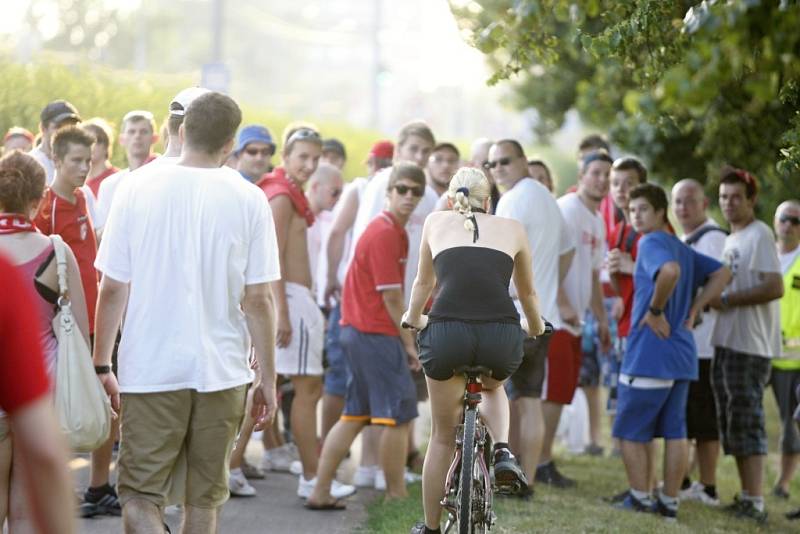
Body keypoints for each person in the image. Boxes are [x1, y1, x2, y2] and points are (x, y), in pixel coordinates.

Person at [93, 92, 280, 534]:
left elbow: (113, 286)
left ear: (180, 130)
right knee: (203, 501)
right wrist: (267, 378)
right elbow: (259, 300)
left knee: (139, 497)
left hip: (150, 368)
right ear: (230, 142)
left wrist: (102, 362)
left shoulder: (135, 187)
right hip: (223, 371)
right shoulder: (249, 198)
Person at [401, 166, 546, 533]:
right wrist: (537, 326)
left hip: (447, 333)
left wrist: (413, 316)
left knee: (443, 436)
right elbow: (527, 293)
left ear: (451, 200)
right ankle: (501, 449)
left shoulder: (436, 221)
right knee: (495, 386)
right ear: (490, 201)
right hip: (500, 333)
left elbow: (423, 282)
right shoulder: (512, 229)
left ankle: (431, 528)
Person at [306, 162, 426, 510]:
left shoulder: (391, 230)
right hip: (373, 333)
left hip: (356, 331)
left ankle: (320, 490)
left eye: (415, 192)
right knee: (399, 414)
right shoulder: (386, 232)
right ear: (388, 193)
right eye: (401, 189)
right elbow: (390, 296)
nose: (408, 196)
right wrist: (408, 343)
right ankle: (395, 494)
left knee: (355, 414)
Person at [612, 183, 730, 521]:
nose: (636, 215)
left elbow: (670, 272)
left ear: (661, 212)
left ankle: (638, 498)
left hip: (650, 353)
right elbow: (722, 273)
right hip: (682, 354)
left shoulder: (650, 242)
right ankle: (669, 503)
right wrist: (694, 309)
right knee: (676, 431)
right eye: (631, 210)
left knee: (629, 430)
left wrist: (656, 310)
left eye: (643, 209)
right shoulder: (681, 246)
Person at [257, 126, 354, 499]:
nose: (310, 165)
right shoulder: (281, 197)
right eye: (303, 157)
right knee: (306, 389)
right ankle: (312, 479)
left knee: (282, 387)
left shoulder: (290, 194)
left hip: (297, 300)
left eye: (316, 158)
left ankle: (234, 470)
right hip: (291, 301)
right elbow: (273, 259)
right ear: (285, 156)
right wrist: (281, 312)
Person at [0, 150, 90, 532]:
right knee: (24, 516)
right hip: (42, 399)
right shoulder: (57, 252)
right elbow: (81, 334)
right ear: (39, 200)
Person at [490, 139, 574, 495]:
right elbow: (568, 251)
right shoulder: (547, 198)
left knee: (500, 398)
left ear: (524, 160)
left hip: (515, 314)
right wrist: (547, 285)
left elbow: (497, 257)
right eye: (492, 165)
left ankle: (504, 478)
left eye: (505, 161)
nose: (498, 170)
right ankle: (528, 481)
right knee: (531, 400)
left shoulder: (512, 199)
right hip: (544, 317)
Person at [710, 167, 783, 522]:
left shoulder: (760, 234)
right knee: (734, 421)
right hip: (727, 342)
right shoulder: (731, 238)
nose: (729, 203)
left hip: (751, 346)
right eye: (724, 197)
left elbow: (775, 287)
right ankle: (746, 497)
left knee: (749, 420)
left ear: (752, 199)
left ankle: (756, 502)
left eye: (737, 196)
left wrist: (726, 300)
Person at [322, 139, 394, 489]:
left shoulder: (386, 218)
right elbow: (336, 234)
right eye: (378, 161)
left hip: (362, 312)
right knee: (346, 393)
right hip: (357, 311)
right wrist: (329, 280)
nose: (381, 166)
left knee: (361, 401)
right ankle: (324, 473)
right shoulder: (365, 196)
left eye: (387, 161)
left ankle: (355, 470)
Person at [541, 149, 612, 488]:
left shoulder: (597, 219)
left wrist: (601, 319)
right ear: (581, 176)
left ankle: (543, 459)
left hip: (577, 321)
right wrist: (563, 302)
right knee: (553, 392)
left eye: (607, 175)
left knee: (564, 391)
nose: (602, 180)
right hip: (556, 317)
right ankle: (539, 461)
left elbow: (595, 273)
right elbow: (549, 261)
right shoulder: (567, 210)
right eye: (595, 173)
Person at [0, 254, 76, 534]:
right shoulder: (5, 274)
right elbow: (45, 453)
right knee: (21, 516)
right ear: (34, 207)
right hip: (28, 398)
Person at [670, 179, 728, 506]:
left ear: (704, 203)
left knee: (705, 420)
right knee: (688, 416)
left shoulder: (713, 239)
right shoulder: (685, 238)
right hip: (688, 345)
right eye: (677, 202)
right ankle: (687, 481)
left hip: (705, 346)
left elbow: (717, 284)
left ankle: (708, 487)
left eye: (689, 201)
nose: (682, 208)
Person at [770, 200, 800, 501]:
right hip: (757, 349)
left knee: (790, 423)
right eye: (784, 219)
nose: (789, 225)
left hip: (792, 360)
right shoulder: (765, 255)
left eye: (795, 220)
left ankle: (783, 483)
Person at [94, 109, 158, 235]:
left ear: (154, 138)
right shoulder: (109, 185)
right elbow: (100, 235)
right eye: (132, 131)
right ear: (121, 139)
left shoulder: (164, 176)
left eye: (143, 131)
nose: (137, 136)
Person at [29, 99, 82, 184]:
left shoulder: (81, 165)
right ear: (43, 128)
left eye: (71, 128)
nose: (66, 133)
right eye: (58, 127)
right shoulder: (30, 165)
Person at [83, 119, 120, 197]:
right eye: (84, 141)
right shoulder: (76, 180)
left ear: (106, 145)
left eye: (93, 141)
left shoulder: (117, 179)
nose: (89, 146)